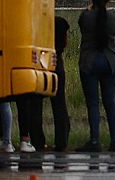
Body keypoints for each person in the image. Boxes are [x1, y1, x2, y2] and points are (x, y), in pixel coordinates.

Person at [77, 0, 115, 153]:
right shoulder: (114, 17)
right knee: (110, 102)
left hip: (89, 61)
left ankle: (95, 140)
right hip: (109, 61)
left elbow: (82, 27)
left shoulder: (86, 16)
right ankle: (114, 140)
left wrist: (90, 9)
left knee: (93, 103)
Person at [49, 15, 72, 151]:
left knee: (35, 105)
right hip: (57, 62)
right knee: (59, 104)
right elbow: (64, 43)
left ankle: (37, 140)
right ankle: (61, 140)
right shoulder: (61, 22)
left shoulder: (41, 22)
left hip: (42, 62)